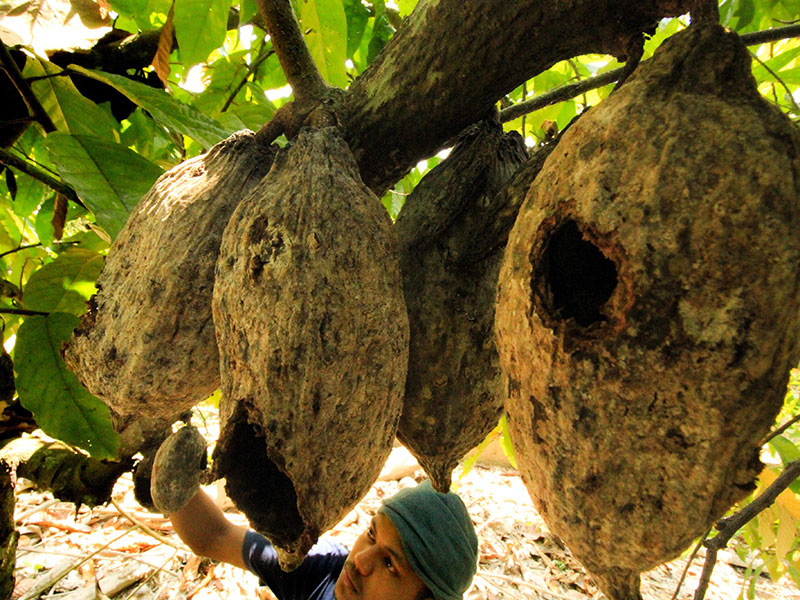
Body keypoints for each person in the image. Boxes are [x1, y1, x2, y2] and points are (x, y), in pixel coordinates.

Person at [160, 439, 479, 600]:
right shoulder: (323, 568)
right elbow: (214, 536)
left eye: (390, 564)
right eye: (371, 534)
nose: (359, 561)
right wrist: (168, 467)